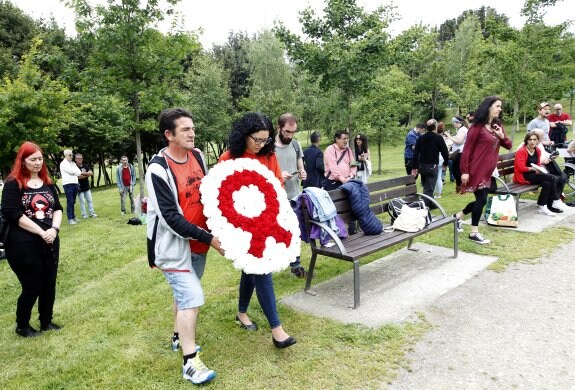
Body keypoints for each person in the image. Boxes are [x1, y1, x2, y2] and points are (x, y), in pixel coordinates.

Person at [146, 108, 224, 385]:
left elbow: (209, 193)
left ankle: (178, 336)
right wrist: (210, 239)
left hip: (199, 243)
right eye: (185, 130)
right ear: (169, 135)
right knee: (191, 296)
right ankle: (190, 364)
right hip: (173, 247)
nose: (192, 133)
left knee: (184, 296)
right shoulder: (157, 169)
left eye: (192, 128)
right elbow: (170, 219)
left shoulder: (198, 156)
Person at [219, 112, 297, 349]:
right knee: (261, 270)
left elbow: (277, 187)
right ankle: (277, 330)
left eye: (265, 140)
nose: (261, 145)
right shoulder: (228, 158)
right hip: (240, 227)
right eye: (257, 140)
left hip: (265, 224)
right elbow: (220, 195)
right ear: (244, 136)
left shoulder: (269, 156)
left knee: (252, 269)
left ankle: (242, 313)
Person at [1, 141, 63, 337]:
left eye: (40, 159)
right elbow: (12, 213)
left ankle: (46, 321)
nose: (37, 163)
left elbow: (58, 209)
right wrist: (40, 231)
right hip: (23, 244)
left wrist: (54, 229)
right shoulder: (13, 183)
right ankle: (22, 325)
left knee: (49, 283)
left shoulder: (47, 182)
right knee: (32, 285)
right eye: (32, 159)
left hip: (50, 240)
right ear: (23, 160)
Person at [455, 96, 513, 244]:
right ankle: (474, 233)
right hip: (476, 169)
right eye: (497, 106)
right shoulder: (476, 127)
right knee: (481, 199)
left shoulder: (497, 126)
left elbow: (508, 145)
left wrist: (501, 136)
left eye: (500, 106)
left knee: (482, 199)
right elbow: (467, 150)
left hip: (490, 171)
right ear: (488, 107)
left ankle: (457, 217)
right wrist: (465, 171)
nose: (500, 109)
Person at [273, 113, 308, 278]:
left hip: (295, 196)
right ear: (278, 128)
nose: (290, 135)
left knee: (295, 232)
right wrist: (279, 176)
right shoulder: (269, 148)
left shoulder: (295, 145)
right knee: (277, 235)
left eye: (293, 132)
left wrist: (302, 173)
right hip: (276, 199)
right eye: (287, 132)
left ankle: (296, 266)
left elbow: (301, 166)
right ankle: (271, 267)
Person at [513, 131, 563, 216]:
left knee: (546, 183)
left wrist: (539, 169)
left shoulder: (538, 150)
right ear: (526, 141)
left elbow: (538, 164)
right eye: (530, 139)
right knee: (552, 178)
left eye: (534, 139)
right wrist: (533, 168)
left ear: (537, 141)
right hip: (523, 176)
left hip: (534, 174)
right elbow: (520, 168)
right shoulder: (522, 151)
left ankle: (542, 206)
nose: (532, 142)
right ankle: (556, 200)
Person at [411, 119, 449, 207]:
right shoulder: (438, 137)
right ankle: (425, 207)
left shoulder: (421, 137)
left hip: (422, 166)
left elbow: (416, 153)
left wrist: (415, 167)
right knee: (429, 188)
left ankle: (431, 204)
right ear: (435, 127)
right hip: (432, 166)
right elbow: (445, 152)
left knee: (427, 186)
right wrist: (445, 164)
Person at [445, 116, 469, 193]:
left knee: (457, 171)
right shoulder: (460, 129)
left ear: (457, 122)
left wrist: (449, 136)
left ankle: (461, 189)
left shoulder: (462, 130)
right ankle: (460, 188)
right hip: (459, 153)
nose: (453, 124)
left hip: (460, 153)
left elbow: (459, 141)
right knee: (456, 171)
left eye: (453, 123)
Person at [59, 149, 82, 224]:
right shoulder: (63, 164)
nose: (71, 156)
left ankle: (73, 216)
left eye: (72, 155)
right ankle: (70, 218)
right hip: (68, 184)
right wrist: (74, 172)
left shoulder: (73, 163)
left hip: (75, 183)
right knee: (70, 201)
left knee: (73, 201)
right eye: (70, 155)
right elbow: (71, 171)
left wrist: (75, 172)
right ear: (65, 155)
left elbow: (79, 172)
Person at [74, 154, 98, 218]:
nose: (80, 159)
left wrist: (82, 174)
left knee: (89, 200)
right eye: (78, 158)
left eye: (81, 158)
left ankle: (92, 213)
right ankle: (84, 214)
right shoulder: (74, 167)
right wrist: (87, 174)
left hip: (87, 187)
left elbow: (91, 173)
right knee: (82, 202)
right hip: (79, 188)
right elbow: (78, 177)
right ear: (75, 159)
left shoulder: (85, 165)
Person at [434, 122, 450, 198]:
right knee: (439, 176)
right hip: (442, 159)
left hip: (437, 158)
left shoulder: (437, 138)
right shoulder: (443, 138)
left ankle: (437, 193)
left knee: (436, 177)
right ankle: (438, 193)